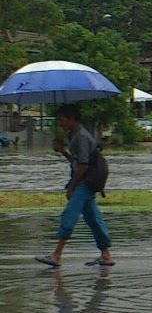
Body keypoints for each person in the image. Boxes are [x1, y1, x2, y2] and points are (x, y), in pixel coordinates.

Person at [34, 104, 114, 267]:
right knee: (93, 218)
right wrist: (62, 150)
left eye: (61, 120)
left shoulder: (81, 137)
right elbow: (76, 161)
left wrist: (71, 186)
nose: (60, 123)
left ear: (72, 119)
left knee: (69, 214)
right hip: (85, 180)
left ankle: (56, 255)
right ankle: (106, 255)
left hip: (86, 182)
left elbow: (83, 166)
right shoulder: (74, 136)